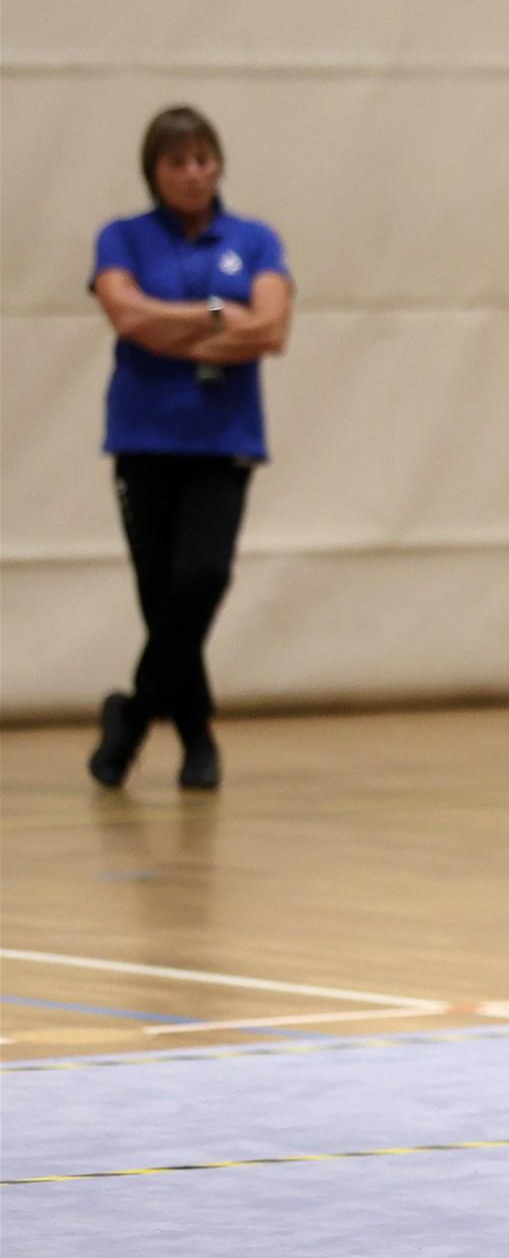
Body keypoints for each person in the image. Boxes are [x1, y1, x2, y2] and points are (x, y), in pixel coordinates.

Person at [85, 106, 295, 793]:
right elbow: (127, 316)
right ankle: (197, 736)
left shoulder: (255, 240)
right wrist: (214, 318)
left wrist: (170, 329)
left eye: (203, 159)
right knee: (161, 594)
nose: (193, 174)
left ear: (219, 165)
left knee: (202, 578)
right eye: (177, 162)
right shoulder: (123, 237)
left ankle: (133, 718)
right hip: (145, 438)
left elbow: (271, 328)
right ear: (154, 171)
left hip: (223, 440)